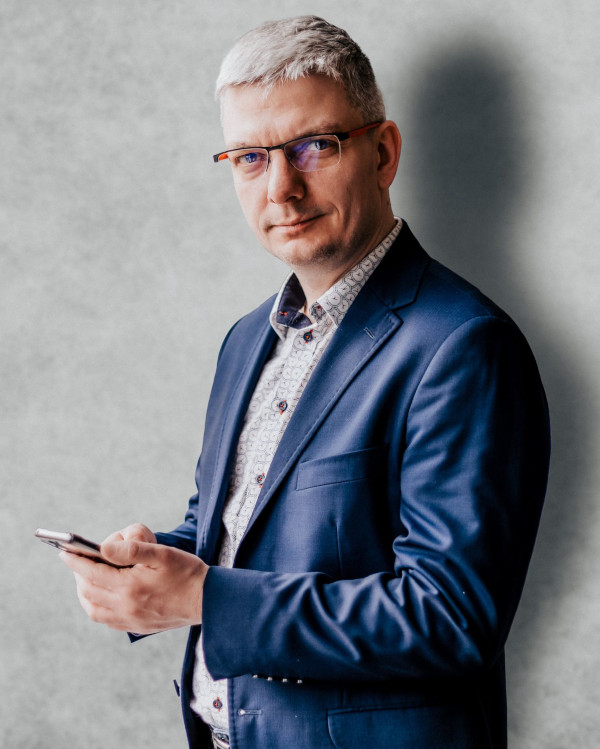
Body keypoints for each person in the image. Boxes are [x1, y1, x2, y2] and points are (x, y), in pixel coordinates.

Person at [61, 15, 551, 749]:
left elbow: (449, 617)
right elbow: (236, 534)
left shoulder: (463, 346)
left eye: (313, 146)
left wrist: (204, 599)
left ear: (383, 153)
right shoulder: (245, 341)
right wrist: (155, 564)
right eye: (250, 158)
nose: (281, 188)